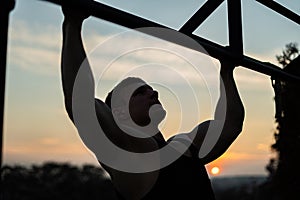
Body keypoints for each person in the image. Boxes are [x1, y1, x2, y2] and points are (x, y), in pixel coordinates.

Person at [60, 5, 245, 200]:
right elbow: (80, 104)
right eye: (139, 92)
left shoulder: (183, 145)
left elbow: (230, 125)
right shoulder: (128, 153)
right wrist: (73, 23)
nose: (153, 92)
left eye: (151, 88)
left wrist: (226, 72)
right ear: (119, 113)